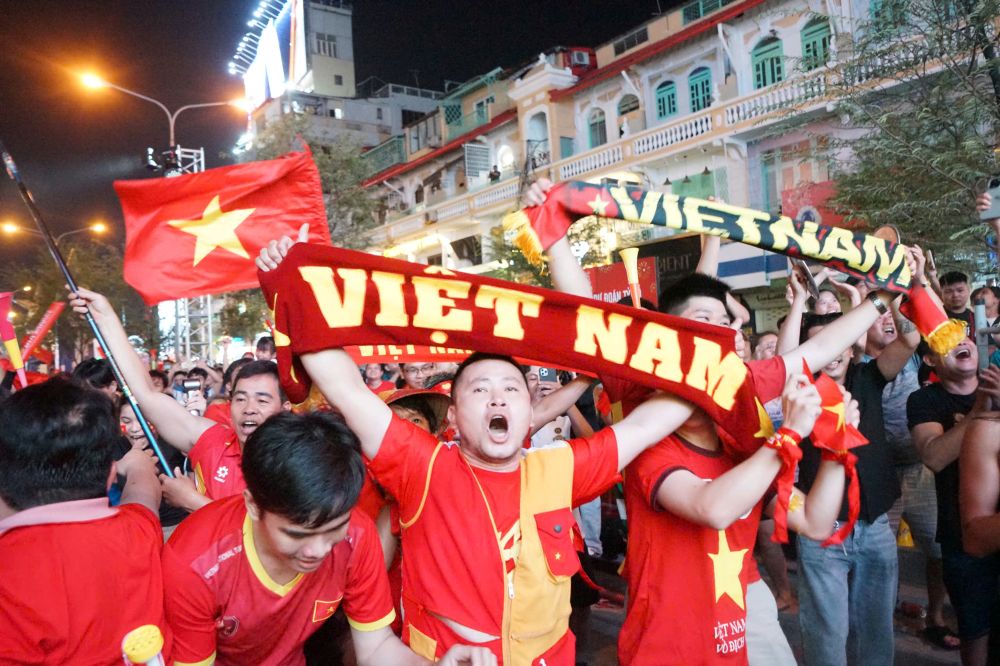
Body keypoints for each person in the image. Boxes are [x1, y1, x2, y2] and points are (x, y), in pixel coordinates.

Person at [257, 228, 703, 664]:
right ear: (452, 416)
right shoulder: (421, 467)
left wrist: (706, 364)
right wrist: (299, 286)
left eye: (510, 389)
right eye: (479, 389)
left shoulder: (561, 469)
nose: (497, 398)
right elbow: (346, 388)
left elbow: (646, 424)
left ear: (530, 411)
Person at [162, 411, 492, 666]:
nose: (317, 550)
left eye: (334, 529)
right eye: (297, 534)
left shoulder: (357, 535)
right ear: (253, 505)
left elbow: (376, 646)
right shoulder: (195, 564)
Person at [70, 288, 292, 512]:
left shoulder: (297, 460)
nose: (249, 409)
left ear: (285, 408)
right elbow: (147, 395)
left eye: (262, 401)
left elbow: (270, 526)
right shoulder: (214, 441)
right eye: (240, 399)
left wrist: (193, 502)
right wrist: (106, 319)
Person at [0, 377, 168, 663]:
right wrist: (137, 466)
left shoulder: (8, 569)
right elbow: (144, 494)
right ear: (111, 475)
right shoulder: (138, 531)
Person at [795, 299, 919, 666]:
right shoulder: (799, 390)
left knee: (877, 627)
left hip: (875, 525)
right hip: (822, 531)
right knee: (825, 631)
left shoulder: (868, 378)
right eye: (821, 344)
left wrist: (893, 294)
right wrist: (799, 302)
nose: (831, 352)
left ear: (851, 349)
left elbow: (911, 340)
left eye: (838, 343)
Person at [909, 339, 1000, 666]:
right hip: (960, 529)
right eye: (946, 341)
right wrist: (980, 412)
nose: (960, 341)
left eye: (964, 335)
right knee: (974, 628)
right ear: (930, 360)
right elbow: (934, 456)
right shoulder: (925, 399)